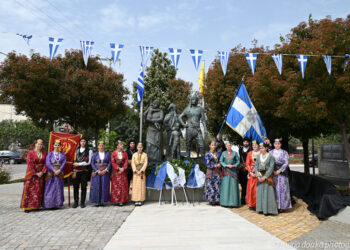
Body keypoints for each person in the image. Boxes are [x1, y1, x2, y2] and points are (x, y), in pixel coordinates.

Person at [20, 139, 47, 212]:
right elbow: (30, 164)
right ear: (35, 144)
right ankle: (27, 207)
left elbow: (46, 163)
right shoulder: (31, 153)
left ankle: (36, 206)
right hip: (31, 174)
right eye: (38, 144)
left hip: (40, 174)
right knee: (29, 190)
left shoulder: (44, 153)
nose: (40, 145)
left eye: (41, 144)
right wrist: (35, 173)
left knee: (38, 190)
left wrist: (42, 172)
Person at [255, 143, 278, 215]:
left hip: (267, 177)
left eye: (262, 148)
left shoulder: (270, 157)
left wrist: (265, 177)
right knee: (260, 192)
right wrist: (258, 176)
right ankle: (261, 209)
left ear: (266, 148)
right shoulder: (258, 157)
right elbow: (256, 167)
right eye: (260, 148)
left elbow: (271, 167)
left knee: (268, 192)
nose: (261, 149)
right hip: (260, 177)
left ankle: (270, 210)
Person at [43, 139, 66, 209]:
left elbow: (64, 163)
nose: (56, 146)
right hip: (51, 173)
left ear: (60, 146)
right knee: (50, 188)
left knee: (58, 188)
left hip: (59, 173)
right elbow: (47, 163)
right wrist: (53, 170)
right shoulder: (49, 154)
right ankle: (49, 204)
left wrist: (59, 170)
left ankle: (57, 204)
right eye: (55, 145)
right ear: (53, 145)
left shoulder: (62, 154)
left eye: (58, 145)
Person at [270, 139, 292, 211]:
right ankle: (274, 206)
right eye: (276, 144)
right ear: (274, 144)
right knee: (274, 189)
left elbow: (286, 162)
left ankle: (282, 207)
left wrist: (279, 171)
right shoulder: (270, 152)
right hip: (273, 173)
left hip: (282, 173)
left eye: (278, 144)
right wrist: (272, 170)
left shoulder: (284, 152)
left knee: (283, 189)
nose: (277, 145)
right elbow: (268, 162)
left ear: (280, 144)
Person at [72, 137, 92, 208]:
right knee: (75, 187)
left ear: (86, 142)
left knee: (83, 187)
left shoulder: (89, 151)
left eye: (84, 141)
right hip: (76, 171)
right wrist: (74, 164)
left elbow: (88, 162)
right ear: (79, 142)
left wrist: (79, 164)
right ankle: (76, 202)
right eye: (81, 141)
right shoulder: (76, 150)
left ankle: (82, 202)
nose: (82, 143)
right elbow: (73, 160)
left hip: (84, 171)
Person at [89, 141, 111, 206]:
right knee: (96, 186)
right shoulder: (95, 154)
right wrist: (97, 170)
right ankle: (97, 201)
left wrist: (106, 170)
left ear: (104, 146)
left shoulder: (107, 154)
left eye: (102, 145)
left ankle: (103, 201)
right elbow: (92, 163)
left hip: (105, 172)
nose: (101, 147)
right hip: (97, 172)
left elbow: (110, 162)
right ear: (98, 146)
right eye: (100, 145)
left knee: (104, 186)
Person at [219, 141, 241, 207]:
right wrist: (225, 165)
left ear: (231, 146)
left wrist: (234, 165)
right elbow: (221, 161)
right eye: (227, 145)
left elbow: (238, 161)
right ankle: (224, 202)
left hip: (233, 172)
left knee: (233, 187)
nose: (229, 146)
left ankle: (234, 203)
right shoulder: (223, 153)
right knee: (225, 187)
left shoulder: (235, 153)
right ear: (225, 146)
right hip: (225, 172)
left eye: (230, 145)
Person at [111, 140, 129, 206]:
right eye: (121, 144)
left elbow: (126, 161)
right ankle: (116, 200)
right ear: (117, 146)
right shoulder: (113, 153)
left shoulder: (125, 153)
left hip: (123, 171)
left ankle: (123, 200)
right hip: (116, 172)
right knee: (116, 186)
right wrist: (118, 168)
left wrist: (123, 168)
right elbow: (113, 162)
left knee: (123, 185)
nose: (122, 145)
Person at [204, 140, 222, 205]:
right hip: (210, 172)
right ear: (209, 146)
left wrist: (220, 164)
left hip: (217, 172)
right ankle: (211, 200)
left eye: (214, 145)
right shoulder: (207, 155)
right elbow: (207, 164)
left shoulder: (218, 153)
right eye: (212, 145)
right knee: (210, 186)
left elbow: (220, 161)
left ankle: (217, 200)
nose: (213, 146)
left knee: (217, 186)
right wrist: (216, 166)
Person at [245, 141, 259, 209]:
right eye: (253, 145)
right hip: (251, 172)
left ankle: (258, 203)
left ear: (258, 146)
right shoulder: (249, 153)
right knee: (251, 188)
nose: (254, 146)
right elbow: (247, 163)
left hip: (259, 173)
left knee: (258, 188)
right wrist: (250, 172)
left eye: (256, 145)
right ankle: (251, 204)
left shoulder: (261, 153)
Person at [238, 137, 251, 205]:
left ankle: (249, 199)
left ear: (249, 143)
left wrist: (248, 167)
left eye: (247, 142)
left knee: (248, 185)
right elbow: (239, 159)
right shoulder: (240, 149)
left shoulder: (251, 149)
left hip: (250, 170)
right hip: (242, 170)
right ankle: (243, 199)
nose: (245, 143)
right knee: (243, 185)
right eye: (244, 142)